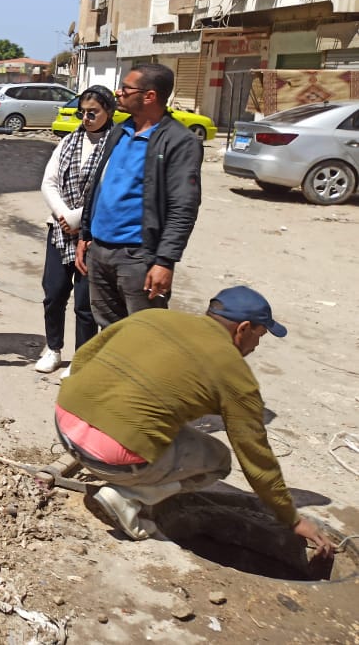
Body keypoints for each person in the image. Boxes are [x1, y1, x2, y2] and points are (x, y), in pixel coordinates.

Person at [55, 286, 335, 559]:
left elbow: (84, 357)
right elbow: (256, 458)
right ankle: (128, 495)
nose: (257, 345)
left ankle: (122, 468)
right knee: (219, 458)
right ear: (243, 328)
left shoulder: (152, 317)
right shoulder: (234, 373)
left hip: (64, 424)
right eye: (259, 335)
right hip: (110, 458)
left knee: (166, 424)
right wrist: (292, 519)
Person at [75, 63, 202, 328]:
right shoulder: (119, 131)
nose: (118, 93)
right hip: (99, 250)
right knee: (109, 331)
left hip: (138, 258)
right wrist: (85, 234)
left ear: (149, 96)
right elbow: (99, 185)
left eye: (126, 89)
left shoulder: (179, 141)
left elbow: (183, 207)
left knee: (145, 332)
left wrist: (164, 261)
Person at [35, 86, 117, 374]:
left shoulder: (115, 146)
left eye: (93, 113)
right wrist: (64, 216)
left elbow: (108, 191)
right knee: (54, 293)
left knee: (85, 303)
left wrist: (78, 219)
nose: (86, 118)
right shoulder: (69, 141)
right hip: (60, 231)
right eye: (82, 112)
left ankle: (83, 358)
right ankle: (53, 348)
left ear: (109, 112)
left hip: (93, 233)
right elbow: (49, 182)